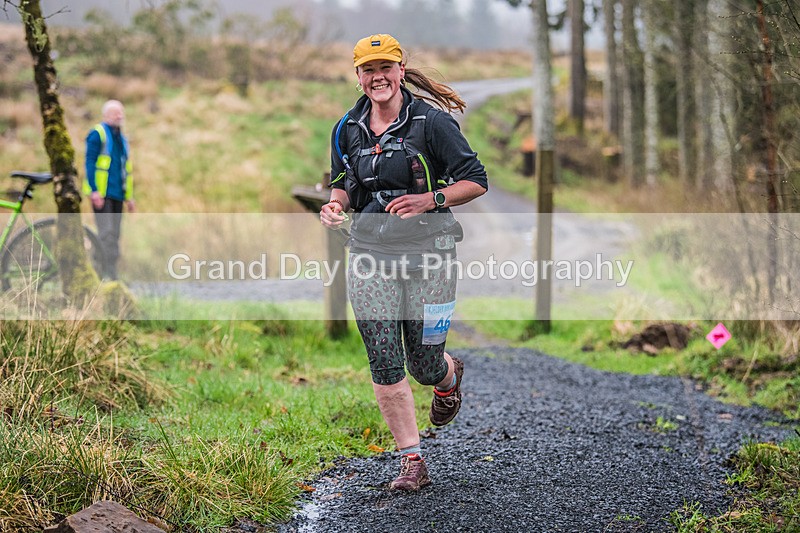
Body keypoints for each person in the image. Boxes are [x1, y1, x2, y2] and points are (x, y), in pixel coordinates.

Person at [319, 34, 488, 491]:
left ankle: (448, 377)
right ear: (358, 77)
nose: (378, 78)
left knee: (424, 363)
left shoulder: (431, 123)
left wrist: (428, 200)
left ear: (400, 70)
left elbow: (476, 181)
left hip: (430, 257)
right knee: (384, 358)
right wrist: (335, 207)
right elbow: (342, 184)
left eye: (385, 68)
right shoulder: (346, 129)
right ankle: (411, 460)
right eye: (368, 70)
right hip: (370, 255)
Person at [84, 99, 135, 280]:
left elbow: (125, 169)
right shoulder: (98, 134)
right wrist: (94, 190)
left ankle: (112, 274)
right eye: (115, 113)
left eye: (121, 112)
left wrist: (129, 197)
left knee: (115, 234)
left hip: (118, 194)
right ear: (106, 115)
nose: (120, 116)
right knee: (105, 234)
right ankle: (103, 273)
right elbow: (89, 162)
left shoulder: (122, 138)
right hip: (102, 194)